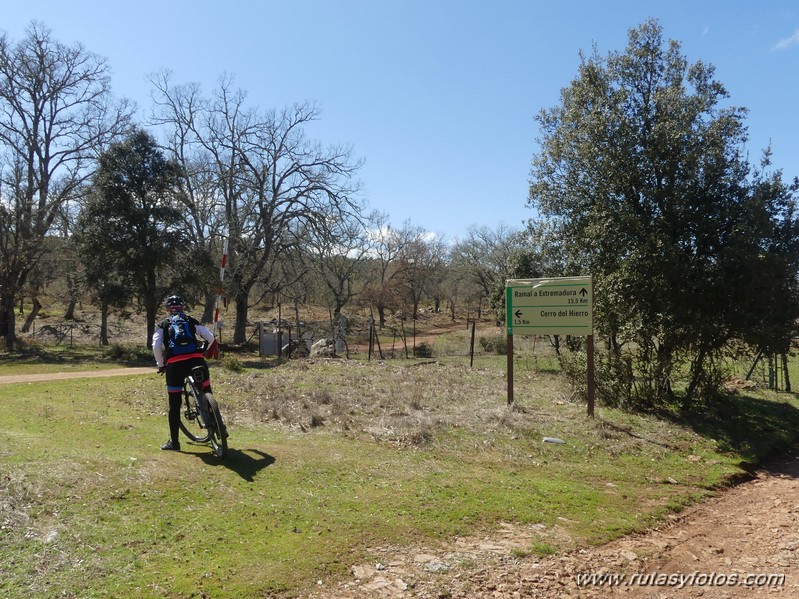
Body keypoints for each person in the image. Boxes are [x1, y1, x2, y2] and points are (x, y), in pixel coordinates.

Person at [152, 294, 216, 451]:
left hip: (175, 366)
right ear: (183, 308)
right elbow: (211, 337)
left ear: (167, 309)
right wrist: (203, 351)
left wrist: (161, 365)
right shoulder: (190, 321)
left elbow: (155, 346)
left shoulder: (163, 324)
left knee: (174, 405)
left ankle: (174, 443)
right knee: (207, 391)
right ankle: (219, 426)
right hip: (196, 361)